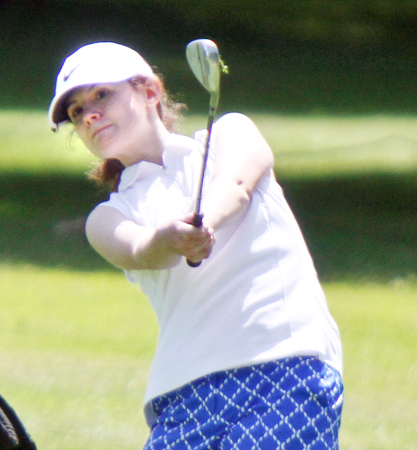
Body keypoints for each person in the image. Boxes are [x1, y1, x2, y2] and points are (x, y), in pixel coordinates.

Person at [48, 42, 343, 449]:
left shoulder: (229, 133)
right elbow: (140, 249)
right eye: (77, 112)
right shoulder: (110, 216)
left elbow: (235, 185)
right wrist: (171, 239)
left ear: (151, 91)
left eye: (102, 94)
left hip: (284, 365)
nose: (90, 114)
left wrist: (202, 226)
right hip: (183, 396)